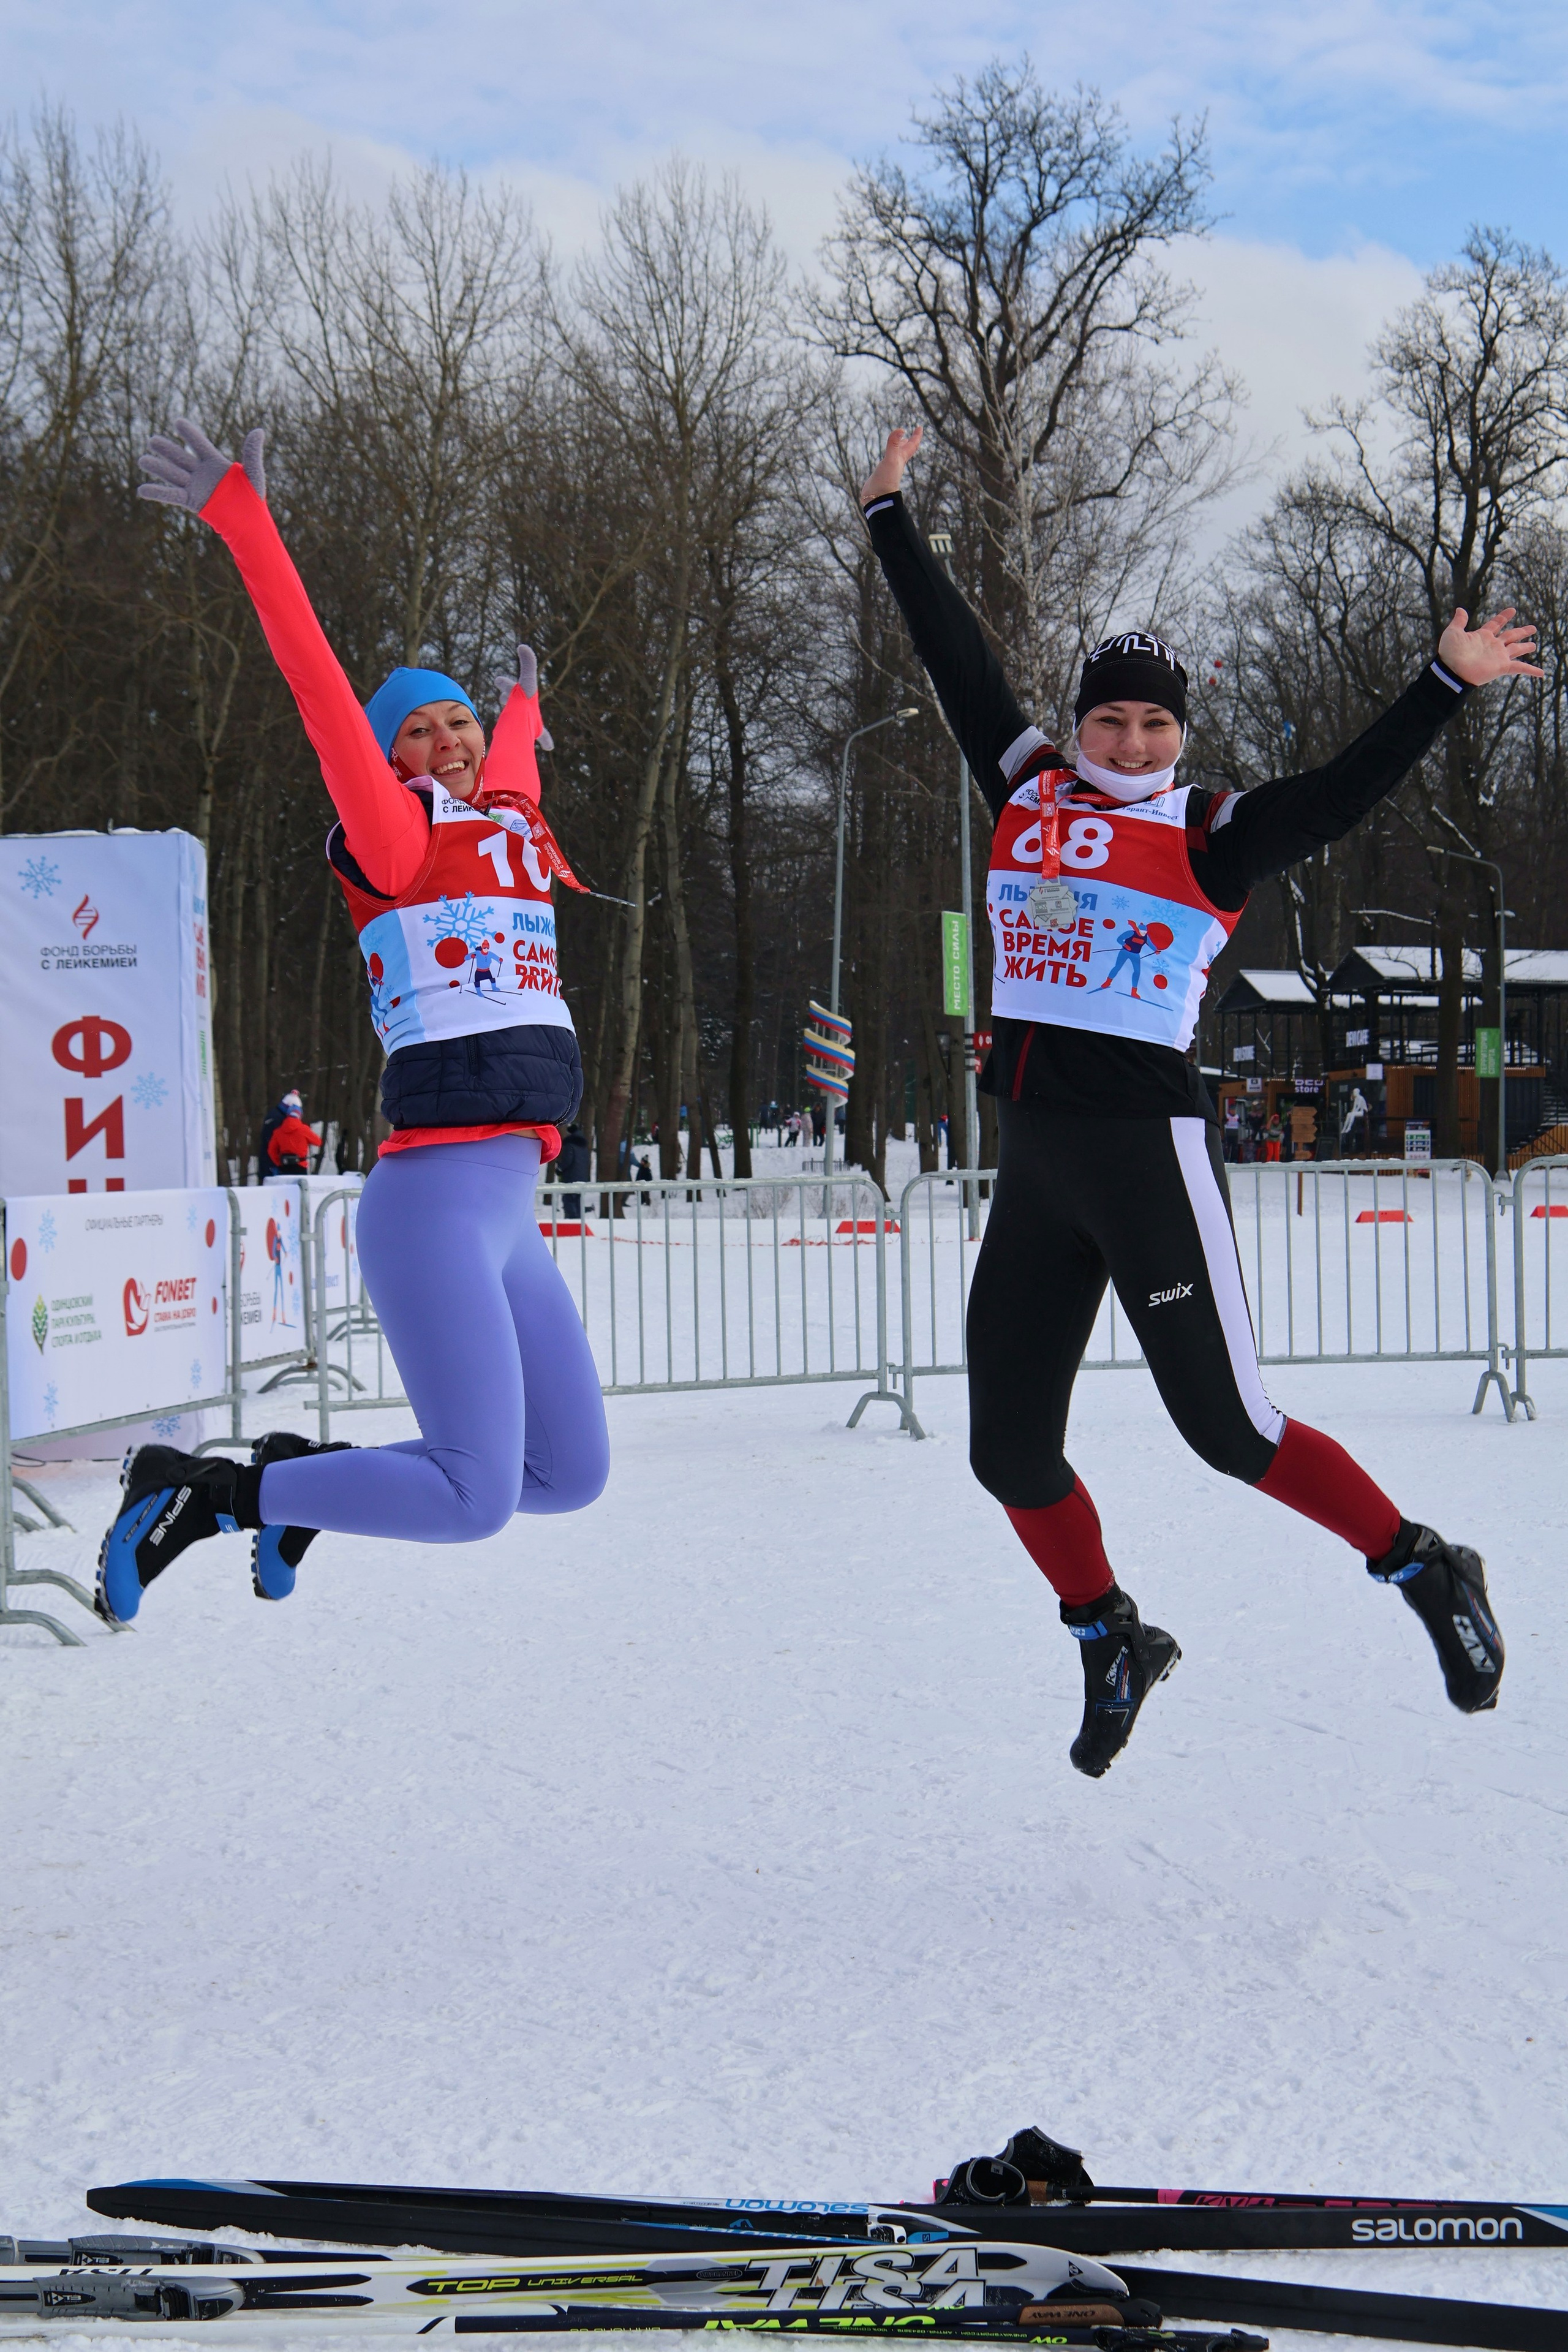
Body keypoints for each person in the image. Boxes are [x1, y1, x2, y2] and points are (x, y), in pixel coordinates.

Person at [859, 423, 1531, 1774]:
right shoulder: (1026, 784)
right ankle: (1109, 1632)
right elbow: (955, 659)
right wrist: (888, 518)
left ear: (1179, 733)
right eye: (1107, 714)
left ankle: (1420, 1566)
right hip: (1036, 1164)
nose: (1124, 736)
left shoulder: (1207, 831)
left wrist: (1440, 686)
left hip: (1145, 1157)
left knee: (1227, 1431)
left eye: (1150, 720)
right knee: (1004, 1453)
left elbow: (1337, 798)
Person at [96, 418, 609, 1625]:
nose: (445, 739)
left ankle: (300, 1481)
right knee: (478, 1494)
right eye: (415, 731)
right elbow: (320, 689)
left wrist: (522, 703)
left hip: (507, 1215)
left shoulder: (507, 831)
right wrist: (250, 529)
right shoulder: (395, 841)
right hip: (431, 1201)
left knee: (567, 1475)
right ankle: (209, 1491)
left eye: (455, 725)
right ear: (385, 763)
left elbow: (516, 773)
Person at [260, 1089, 321, 1178]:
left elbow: (271, 1150)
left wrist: (278, 1163)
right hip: (300, 1166)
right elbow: (318, 1142)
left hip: (283, 1166)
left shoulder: (278, 1131)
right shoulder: (304, 1129)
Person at [556, 1121, 590, 1220]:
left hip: (571, 1177)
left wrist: (560, 1169)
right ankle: (579, 1220)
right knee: (578, 1199)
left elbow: (568, 1160)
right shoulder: (583, 1145)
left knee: (569, 1199)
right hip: (582, 1177)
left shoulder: (570, 1145)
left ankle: (572, 1220)